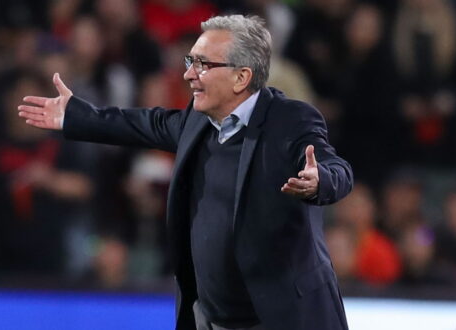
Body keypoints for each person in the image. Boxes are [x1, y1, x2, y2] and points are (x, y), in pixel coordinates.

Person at [18, 15, 353, 330]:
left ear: (242, 77)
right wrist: (73, 115)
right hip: (212, 319)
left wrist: (320, 180)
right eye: (190, 61)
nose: (188, 74)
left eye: (202, 64)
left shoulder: (290, 120)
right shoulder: (198, 120)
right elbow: (142, 124)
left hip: (283, 319)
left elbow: (338, 169)